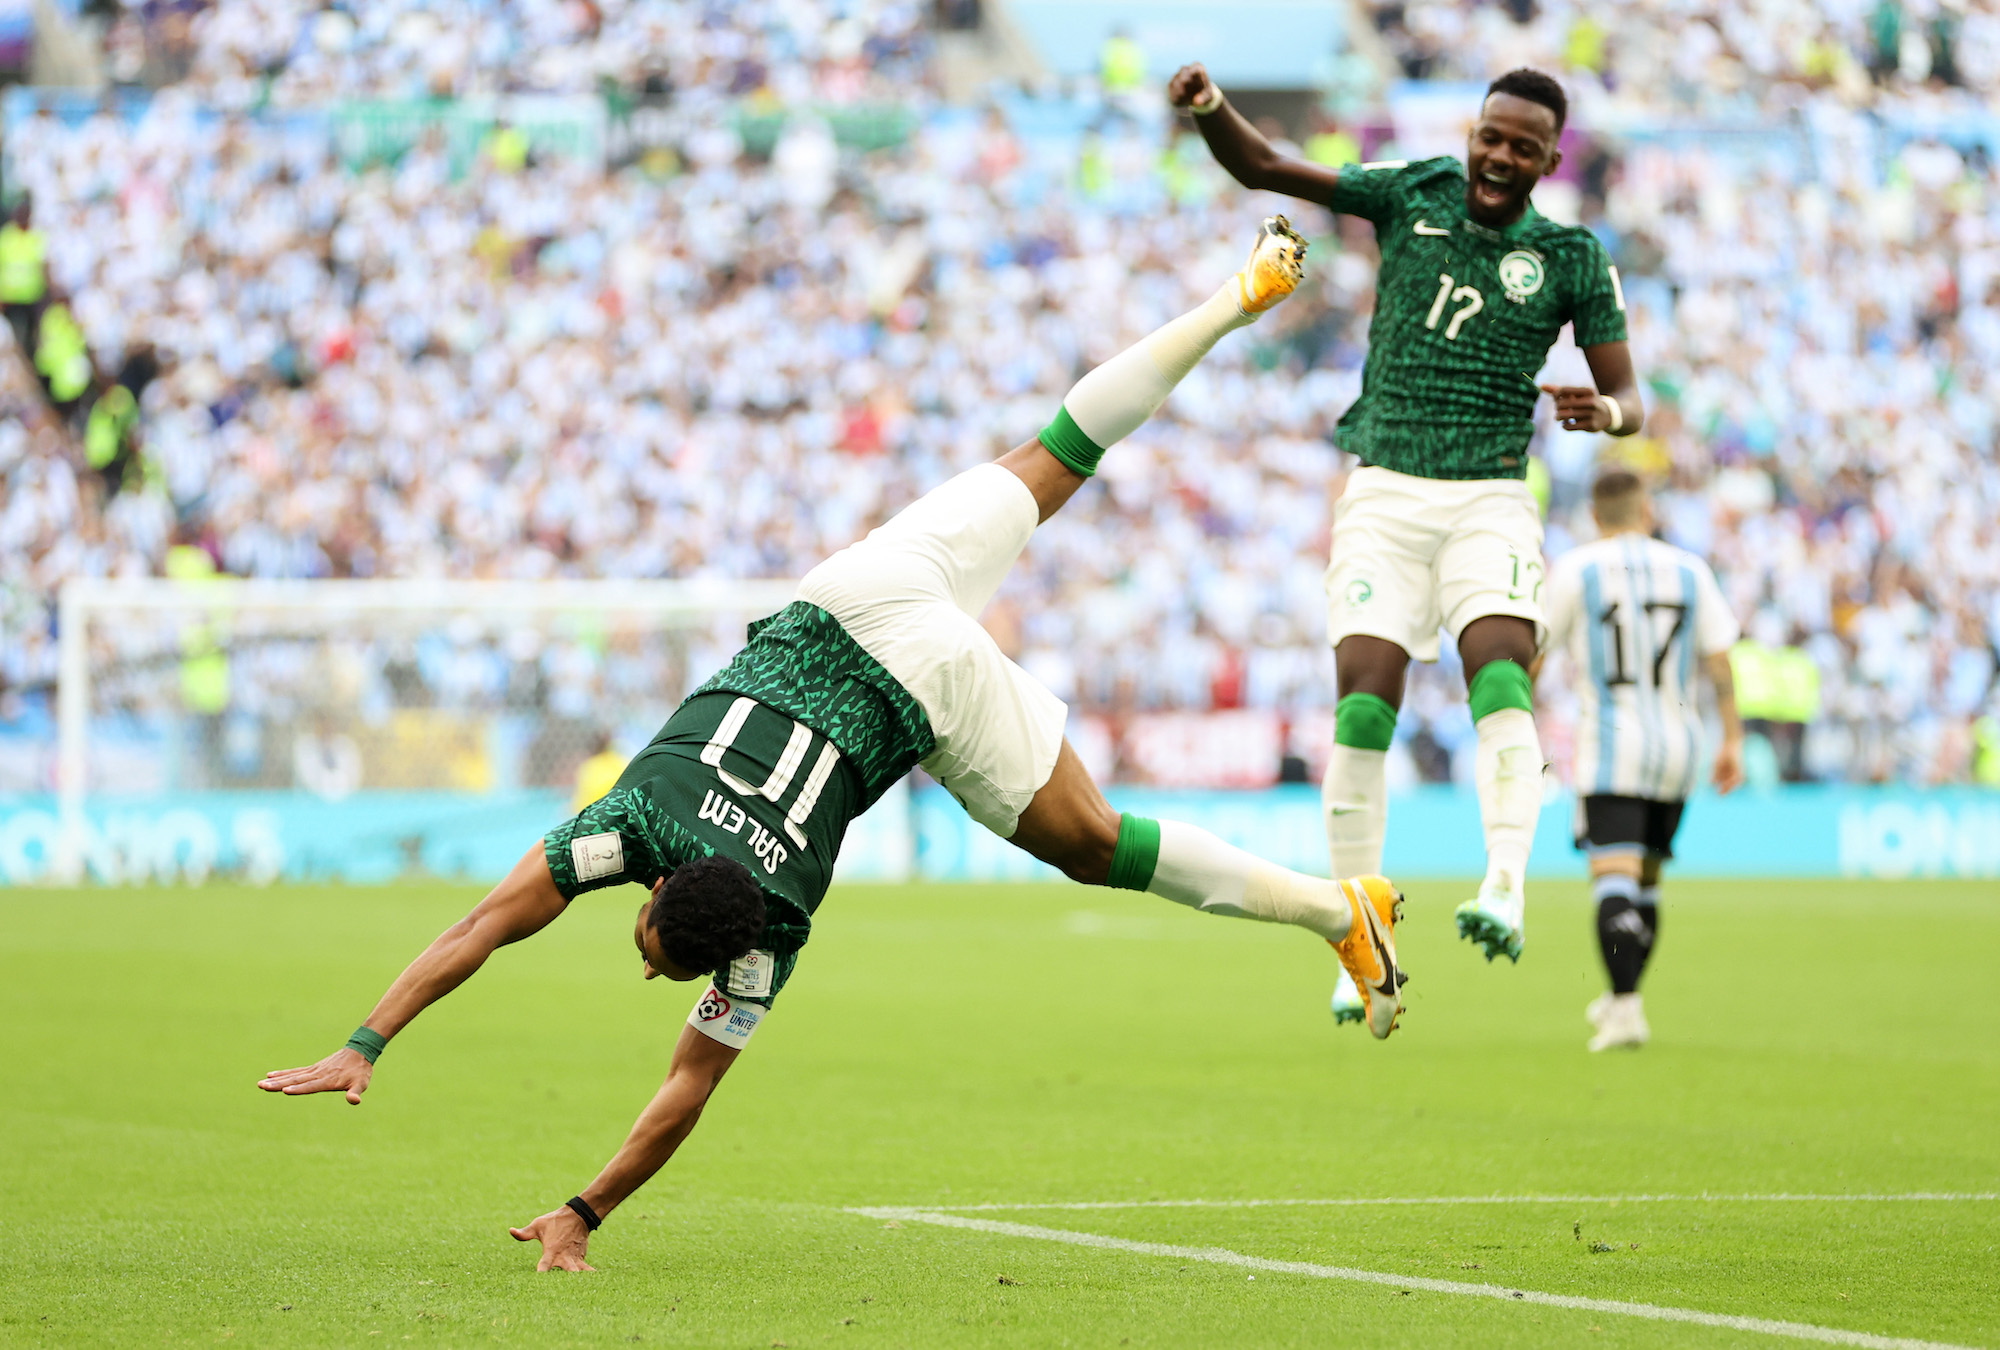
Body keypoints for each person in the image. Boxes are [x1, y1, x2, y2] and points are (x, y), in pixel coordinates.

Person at [257, 221, 1409, 1274]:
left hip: (914, 670)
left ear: (676, 911)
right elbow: (501, 940)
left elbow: (674, 1086)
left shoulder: (774, 920)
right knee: (1055, 450)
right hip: (867, 592)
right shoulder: (638, 813)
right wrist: (376, 1043)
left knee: (1093, 843)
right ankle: (1232, 295)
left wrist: (555, 1189)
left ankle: (1329, 912)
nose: (641, 959)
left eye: (651, 957)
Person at [1166, 63, 1644, 1004]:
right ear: (1474, 133)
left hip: (1489, 498)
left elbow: (1631, 393)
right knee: (1362, 710)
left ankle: (1504, 883)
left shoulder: (1574, 256)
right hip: (1384, 492)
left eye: (1524, 145)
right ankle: (1360, 926)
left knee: (1501, 676)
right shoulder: (1411, 191)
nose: (1501, 155)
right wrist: (1209, 109)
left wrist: (1611, 417)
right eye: (1491, 135)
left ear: (1551, 158)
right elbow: (1265, 166)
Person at [1540, 468, 1743, 1051]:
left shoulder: (1578, 568)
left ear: (1596, 517)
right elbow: (1719, 659)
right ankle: (1621, 998)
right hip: (1680, 745)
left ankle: (1626, 1006)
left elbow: (1537, 650)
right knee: (1647, 882)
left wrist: (1512, 722)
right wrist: (1732, 738)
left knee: (1613, 879)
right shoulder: (1691, 569)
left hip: (1611, 745)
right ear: (1647, 510)